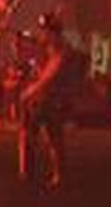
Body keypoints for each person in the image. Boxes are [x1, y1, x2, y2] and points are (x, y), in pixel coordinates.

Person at [18, 13, 83, 190]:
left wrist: (30, 91)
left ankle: (58, 175)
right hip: (41, 100)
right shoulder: (47, 49)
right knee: (28, 136)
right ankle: (27, 173)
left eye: (45, 31)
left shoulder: (62, 51)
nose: (43, 35)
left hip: (52, 101)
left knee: (53, 139)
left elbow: (49, 77)